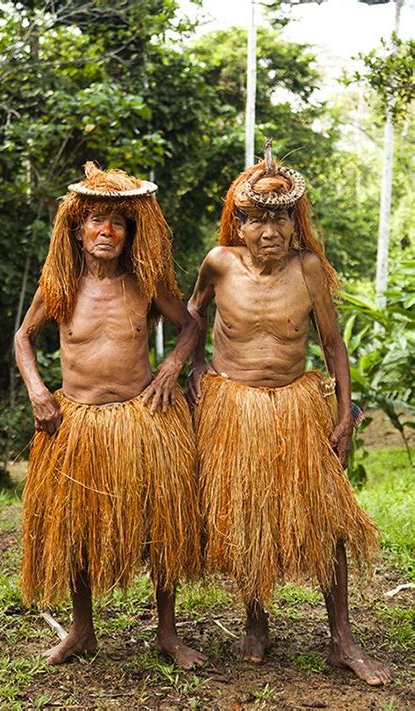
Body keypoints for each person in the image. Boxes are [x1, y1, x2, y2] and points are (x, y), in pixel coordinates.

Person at [186, 143, 392, 685]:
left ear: (294, 223)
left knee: (328, 521)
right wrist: (194, 367)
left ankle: (341, 638)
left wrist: (345, 415)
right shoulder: (218, 263)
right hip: (235, 409)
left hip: (298, 408)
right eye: (257, 220)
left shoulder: (308, 270)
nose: (269, 232)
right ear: (240, 223)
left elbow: (333, 345)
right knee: (247, 515)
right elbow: (191, 318)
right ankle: (256, 622)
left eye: (280, 219)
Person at [15, 163, 205, 669]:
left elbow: (191, 325)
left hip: (143, 419)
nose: (106, 231)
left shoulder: (145, 283)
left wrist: (171, 367)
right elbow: (23, 338)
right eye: (96, 220)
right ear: (78, 230)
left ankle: (168, 633)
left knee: (162, 524)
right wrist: (37, 390)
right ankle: (83, 630)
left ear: (130, 231)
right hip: (76, 422)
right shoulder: (60, 285)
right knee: (77, 526)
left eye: (118, 222)